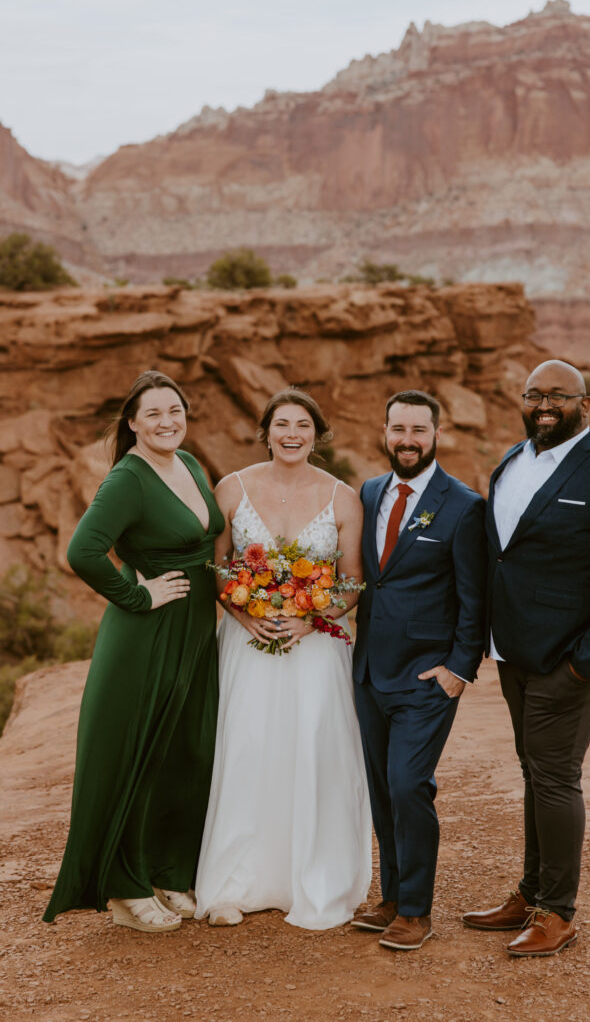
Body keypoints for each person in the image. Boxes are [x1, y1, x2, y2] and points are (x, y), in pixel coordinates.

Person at [462, 359, 590, 957]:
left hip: (571, 657)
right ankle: (530, 892)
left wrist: (586, 661)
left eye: (558, 396)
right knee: (534, 772)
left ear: (584, 404)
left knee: (554, 774)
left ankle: (558, 912)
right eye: (534, 395)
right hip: (513, 651)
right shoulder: (510, 462)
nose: (545, 405)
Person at [43, 370, 224, 933]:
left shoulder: (189, 464)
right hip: (146, 633)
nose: (167, 422)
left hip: (195, 629)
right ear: (132, 423)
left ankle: (170, 871)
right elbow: (84, 550)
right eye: (154, 414)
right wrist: (136, 594)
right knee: (140, 753)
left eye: (175, 411)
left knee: (185, 753)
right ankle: (123, 889)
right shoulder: (127, 478)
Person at [194, 389, 371, 930]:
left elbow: (353, 580)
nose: (291, 434)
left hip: (317, 649)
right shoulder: (230, 489)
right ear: (265, 431)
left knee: (313, 749)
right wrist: (242, 612)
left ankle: (312, 879)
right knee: (247, 748)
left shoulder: (343, 498)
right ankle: (233, 883)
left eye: (302, 426)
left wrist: (311, 618)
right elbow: (218, 567)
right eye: (281, 424)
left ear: (316, 435)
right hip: (247, 646)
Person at [350, 390, 487, 951]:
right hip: (368, 672)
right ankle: (391, 897)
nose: (407, 440)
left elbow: (476, 597)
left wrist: (460, 667)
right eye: (398, 429)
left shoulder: (462, 505)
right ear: (384, 431)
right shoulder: (370, 491)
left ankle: (416, 910)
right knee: (382, 788)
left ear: (436, 434)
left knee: (410, 785)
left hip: (426, 677)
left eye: (419, 431)